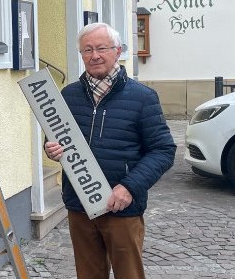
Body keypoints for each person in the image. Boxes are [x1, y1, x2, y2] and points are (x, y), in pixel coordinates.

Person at [43, 23, 175, 279]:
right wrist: (51, 149)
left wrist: (129, 187)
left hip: (121, 207)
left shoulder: (142, 97)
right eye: (87, 50)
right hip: (79, 204)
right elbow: (56, 140)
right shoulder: (68, 95)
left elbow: (163, 150)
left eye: (102, 48)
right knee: (88, 275)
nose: (95, 55)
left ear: (117, 51)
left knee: (129, 275)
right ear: (81, 55)